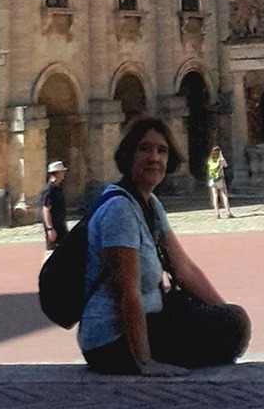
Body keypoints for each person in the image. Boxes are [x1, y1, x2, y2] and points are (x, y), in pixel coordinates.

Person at [79, 116, 251, 376]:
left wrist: (220, 311)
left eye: (162, 150)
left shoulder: (149, 204)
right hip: (111, 341)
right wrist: (145, 362)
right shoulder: (120, 209)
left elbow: (184, 269)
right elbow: (127, 291)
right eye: (144, 148)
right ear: (128, 155)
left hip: (151, 320)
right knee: (232, 326)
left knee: (231, 320)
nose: (154, 158)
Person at [40, 160, 69, 250]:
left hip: (61, 225)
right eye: (62, 172)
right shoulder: (49, 189)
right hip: (54, 227)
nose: (63, 174)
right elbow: (45, 209)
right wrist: (50, 228)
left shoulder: (57, 188)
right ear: (57, 173)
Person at [206, 146, 234, 219]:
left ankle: (217, 213)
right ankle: (228, 212)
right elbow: (226, 165)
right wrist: (221, 156)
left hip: (212, 179)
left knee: (215, 196)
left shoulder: (210, 159)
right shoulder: (221, 159)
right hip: (220, 179)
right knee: (224, 195)